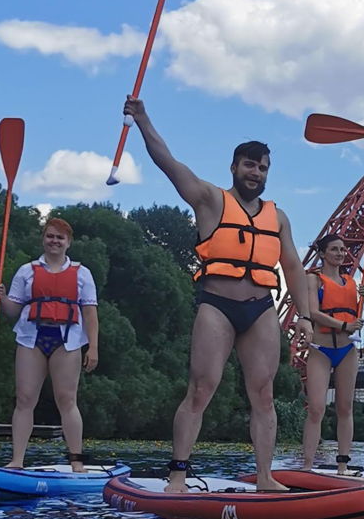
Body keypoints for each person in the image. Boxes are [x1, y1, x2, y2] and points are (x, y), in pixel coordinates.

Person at [123, 98, 313, 492]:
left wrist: (306, 317)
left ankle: (265, 477)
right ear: (234, 167)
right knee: (201, 387)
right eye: (249, 164)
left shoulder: (277, 217)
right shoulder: (210, 199)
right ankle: (177, 474)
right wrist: (142, 119)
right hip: (217, 306)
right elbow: (168, 163)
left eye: (262, 168)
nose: (256, 172)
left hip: (261, 308)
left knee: (263, 394)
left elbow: (293, 268)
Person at [0, 216, 99, 470]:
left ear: (68, 242)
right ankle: (17, 460)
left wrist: (93, 347)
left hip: (67, 340)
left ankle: (76, 461)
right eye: (50, 236)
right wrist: (2, 297)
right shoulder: (27, 271)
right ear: (43, 239)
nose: (54, 241)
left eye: (60, 237)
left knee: (67, 399)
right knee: (25, 399)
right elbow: (12, 311)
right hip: (32, 338)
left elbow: (90, 313)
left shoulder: (82, 274)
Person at [301, 235, 364, 472]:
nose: (340, 253)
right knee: (316, 407)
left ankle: (342, 465)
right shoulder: (313, 279)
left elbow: (355, 317)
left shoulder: (351, 281)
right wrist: (344, 326)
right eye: (335, 249)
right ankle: (307, 465)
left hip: (347, 350)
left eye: (343, 250)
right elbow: (313, 312)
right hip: (321, 349)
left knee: (345, 408)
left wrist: (362, 300)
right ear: (323, 253)